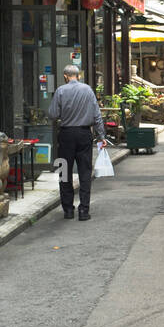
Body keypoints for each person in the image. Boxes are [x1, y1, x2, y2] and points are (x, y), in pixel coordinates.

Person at [47, 64, 105, 221]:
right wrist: (101, 136)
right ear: (78, 75)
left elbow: (52, 114)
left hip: (66, 134)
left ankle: (68, 210)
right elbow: (97, 115)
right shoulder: (87, 90)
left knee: (64, 171)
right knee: (85, 172)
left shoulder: (60, 91)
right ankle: (84, 211)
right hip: (84, 133)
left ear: (65, 76)